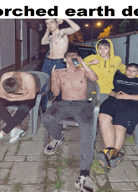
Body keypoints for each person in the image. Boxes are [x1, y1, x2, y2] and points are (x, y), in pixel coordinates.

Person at [42, 49, 98, 192]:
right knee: (47, 117)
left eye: (75, 56)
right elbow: (55, 93)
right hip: (64, 103)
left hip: (83, 104)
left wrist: (83, 63)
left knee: (87, 129)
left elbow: (94, 77)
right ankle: (57, 138)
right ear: (65, 59)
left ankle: (84, 175)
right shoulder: (60, 73)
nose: (73, 58)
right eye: (70, 56)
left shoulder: (83, 71)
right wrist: (53, 77)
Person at [96, 63, 138, 172]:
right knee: (103, 119)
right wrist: (114, 94)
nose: (130, 73)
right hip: (113, 102)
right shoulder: (117, 77)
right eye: (128, 70)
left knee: (119, 127)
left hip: (131, 105)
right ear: (125, 70)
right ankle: (112, 155)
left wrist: (128, 96)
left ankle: (109, 156)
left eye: (134, 71)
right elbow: (108, 89)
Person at [0, 71, 39, 145]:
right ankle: (15, 128)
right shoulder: (5, 76)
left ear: (20, 82)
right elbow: (1, 94)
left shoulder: (28, 77)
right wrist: (14, 97)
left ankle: (2, 133)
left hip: (27, 98)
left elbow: (31, 96)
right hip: (15, 96)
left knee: (24, 108)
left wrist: (11, 97)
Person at [83, 39, 138, 104]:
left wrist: (137, 76)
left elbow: (124, 69)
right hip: (92, 90)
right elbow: (78, 65)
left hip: (108, 91)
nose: (102, 51)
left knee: (105, 108)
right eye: (100, 48)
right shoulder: (92, 57)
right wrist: (90, 62)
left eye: (106, 48)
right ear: (97, 49)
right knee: (91, 108)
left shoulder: (116, 59)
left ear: (110, 49)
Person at [40, 19, 80, 110]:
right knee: (44, 85)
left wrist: (64, 17)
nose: (49, 25)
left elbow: (76, 28)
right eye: (47, 23)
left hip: (59, 62)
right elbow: (43, 42)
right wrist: (47, 30)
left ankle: (58, 109)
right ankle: (45, 109)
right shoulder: (51, 37)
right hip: (48, 61)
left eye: (52, 22)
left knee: (58, 87)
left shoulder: (62, 33)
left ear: (57, 23)